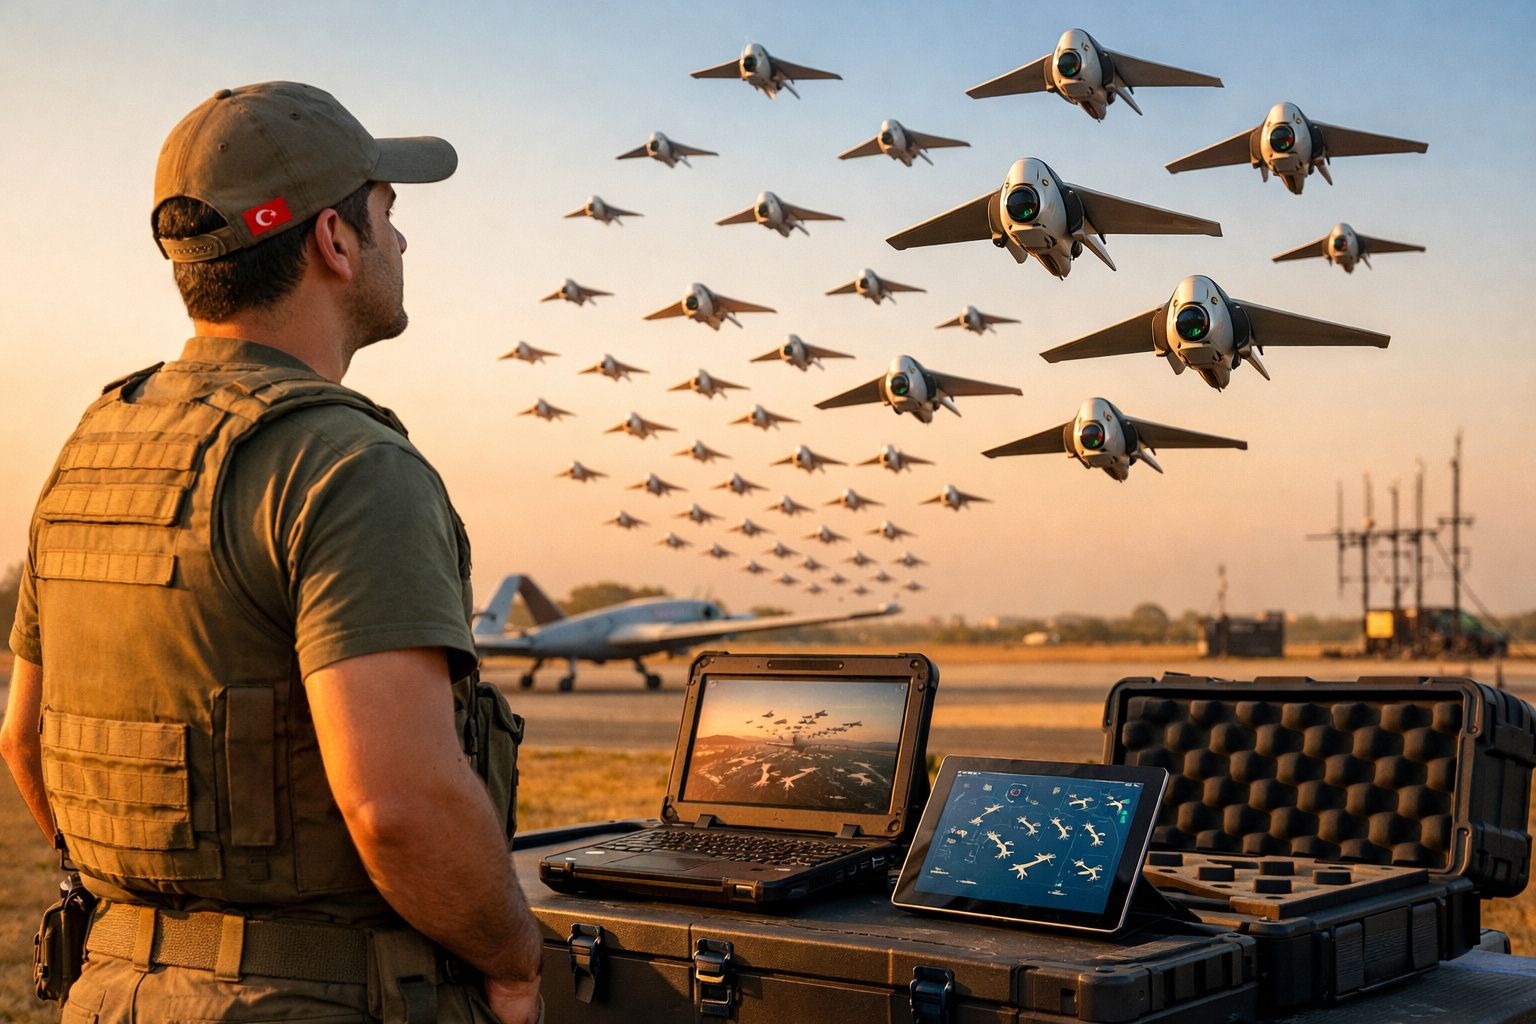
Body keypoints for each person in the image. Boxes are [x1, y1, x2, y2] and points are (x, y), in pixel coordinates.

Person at [0, 81, 543, 1023]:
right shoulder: (348, 465)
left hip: (112, 988)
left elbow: (23, 737)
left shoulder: (92, 449)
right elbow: (400, 806)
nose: (402, 241)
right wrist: (516, 962)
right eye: (387, 212)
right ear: (335, 242)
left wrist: (152, 913)